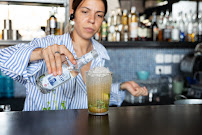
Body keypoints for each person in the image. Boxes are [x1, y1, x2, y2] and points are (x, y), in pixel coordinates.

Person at [0, 0, 148, 111]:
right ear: (73, 13)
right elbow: (3, 58)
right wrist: (40, 53)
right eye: (85, 12)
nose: (92, 20)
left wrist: (122, 86)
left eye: (99, 15)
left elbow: (93, 97)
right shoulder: (49, 44)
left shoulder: (100, 53)